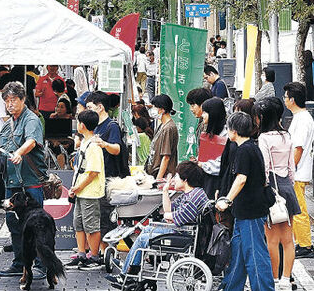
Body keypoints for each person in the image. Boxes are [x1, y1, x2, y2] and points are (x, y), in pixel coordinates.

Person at [107, 161, 209, 285]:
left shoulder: (194, 197)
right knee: (146, 229)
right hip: (179, 230)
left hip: (182, 233)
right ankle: (131, 266)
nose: (174, 179)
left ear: (185, 179)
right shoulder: (191, 194)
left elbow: (176, 217)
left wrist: (169, 216)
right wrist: (165, 191)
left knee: (144, 237)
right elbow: (168, 211)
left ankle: (127, 274)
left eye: (176, 176)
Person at [215, 111, 275, 291]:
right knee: (239, 253)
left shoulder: (244, 150)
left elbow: (241, 179)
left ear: (233, 130)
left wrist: (226, 200)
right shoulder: (251, 147)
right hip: (245, 211)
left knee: (255, 255)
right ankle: (231, 287)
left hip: (250, 211)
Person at [0, 81, 48, 278]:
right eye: (7, 100)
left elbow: (31, 141)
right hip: (12, 182)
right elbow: (4, 145)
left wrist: (19, 152)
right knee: (13, 222)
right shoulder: (9, 122)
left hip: (30, 181)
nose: (10, 104)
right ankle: (19, 263)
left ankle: (42, 264)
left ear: (23, 99)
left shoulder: (31, 119)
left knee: (36, 223)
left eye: (13, 100)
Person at [257, 96, 300, 290]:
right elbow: (292, 168)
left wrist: (263, 189)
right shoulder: (287, 136)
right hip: (287, 188)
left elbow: (264, 167)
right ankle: (285, 279)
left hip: (272, 189)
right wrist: (288, 186)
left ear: (263, 117)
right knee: (288, 240)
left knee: (272, 240)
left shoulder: (264, 138)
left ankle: (274, 279)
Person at [87, 90, 126, 262]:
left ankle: (109, 254)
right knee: (98, 216)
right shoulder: (95, 126)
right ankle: (101, 253)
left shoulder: (111, 126)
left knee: (106, 217)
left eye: (90, 107)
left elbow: (117, 149)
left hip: (108, 178)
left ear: (100, 107)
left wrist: (103, 144)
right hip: (97, 179)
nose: (87, 111)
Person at [68, 109, 105, 270]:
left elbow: (93, 173)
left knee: (91, 225)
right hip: (81, 191)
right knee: (79, 223)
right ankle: (82, 254)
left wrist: (77, 187)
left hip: (90, 192)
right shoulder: (85, 142)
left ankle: (95, 257)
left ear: (82, 125)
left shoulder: (94, 146)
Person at [284, 82, 314, 259]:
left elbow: (299, 148)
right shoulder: (300, 117)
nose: (285, 100)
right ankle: (301, 242)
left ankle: (305, 245)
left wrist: (290, 170)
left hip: (298, 172)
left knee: (299, 210)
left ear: (292, 100)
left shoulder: (303, 119)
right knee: (297, 208)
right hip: (297, 171)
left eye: (286, 97)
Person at [145, 94, 178, 183]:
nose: (152, 110)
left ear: (162, 110)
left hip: (163, 177)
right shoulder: (162, 126)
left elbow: (166, 157)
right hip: (154, 174)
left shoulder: (169, 128)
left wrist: (158, 180)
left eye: (154, 107)